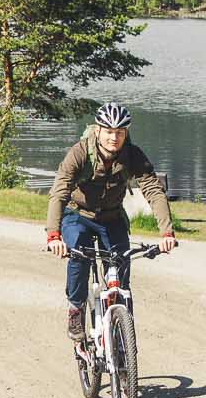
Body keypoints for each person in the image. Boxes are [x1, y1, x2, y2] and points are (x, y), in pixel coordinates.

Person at [45, 102, 177, 341]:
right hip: (79, 215)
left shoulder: (132, 154)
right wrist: (53, 236)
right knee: (78, 256)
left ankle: (120, 324)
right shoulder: (80, 152)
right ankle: (76, 309)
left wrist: (167, 232)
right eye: (108, 131)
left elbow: (153, 190)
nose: (114, 137)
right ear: (98, 130)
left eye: (119, 132)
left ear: (125, 133)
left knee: (120, 269)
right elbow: (59, 192)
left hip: (112, 217)